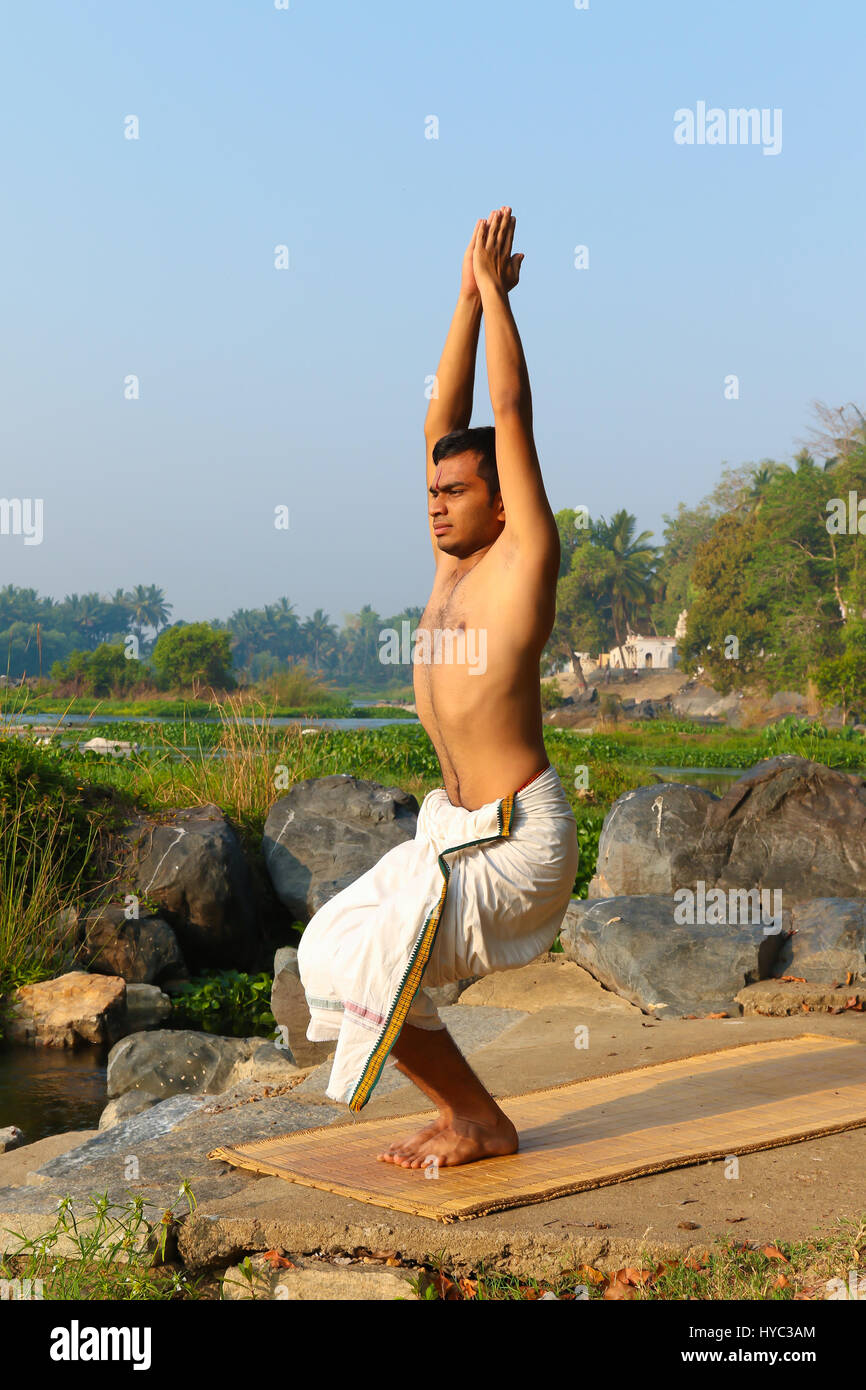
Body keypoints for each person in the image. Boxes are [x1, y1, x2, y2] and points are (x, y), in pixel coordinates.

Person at [297, 207, 579, 1167]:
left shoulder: (521, 558)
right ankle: (469, 1112)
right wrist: (460, 297)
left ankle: (481, 1121)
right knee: (328, 950)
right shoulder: (449, 569)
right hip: (450, 834)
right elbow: (441, 421)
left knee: (382, 960)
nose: (435, 502)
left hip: (517, 843)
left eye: (456, 493)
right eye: (433, 491)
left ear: (503, 501)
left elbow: (510, 412)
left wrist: (499, 299)